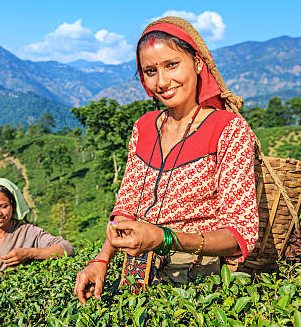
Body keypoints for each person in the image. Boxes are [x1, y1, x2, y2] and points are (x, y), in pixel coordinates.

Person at [73, 16, 259, 304]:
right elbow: (126, 207)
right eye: (150, 71)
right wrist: (101, 261)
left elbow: (238, 233)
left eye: (172, 65)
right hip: (135, 277)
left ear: (197, 63)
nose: (162, 81)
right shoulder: (144, 127)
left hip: (198, 284)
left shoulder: (228, 129)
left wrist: (164, 238)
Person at [0, 178, 75, 287]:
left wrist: (30, 253)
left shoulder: (27, 232)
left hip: (20, 297)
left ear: (13, 206)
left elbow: (66, 249)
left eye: (3, 206)